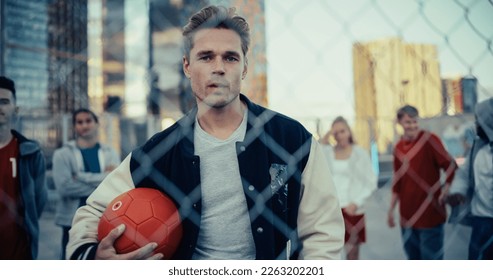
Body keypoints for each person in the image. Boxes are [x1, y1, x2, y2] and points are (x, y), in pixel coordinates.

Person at [67, 5, 344, 260]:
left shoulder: (293, 139)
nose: (219, 68)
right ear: (188, 66)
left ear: (245, 67)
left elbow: (323, 233)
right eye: (206, 57)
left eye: (231, 58)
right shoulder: (160, 151)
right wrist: (93, 257)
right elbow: (92, 212)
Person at [387, 105, 456, 260]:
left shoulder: (429, 140)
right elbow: (397, 183)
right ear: (399, 123)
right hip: (407, 217)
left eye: (415, 121)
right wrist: (391, 210)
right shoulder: (398, 147)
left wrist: (448, 188)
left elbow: (450, 165)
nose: (412, 126)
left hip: (430, 215)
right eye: (408, 122)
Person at [52, 108, 120, 259]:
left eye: (88, 121)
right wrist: (103, 179)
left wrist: (80, 177)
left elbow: (116, 183)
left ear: (96, 124)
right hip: (72, 219)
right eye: (79, 122)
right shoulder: (63, 154)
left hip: (104, 217)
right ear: (74, 126)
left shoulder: (110, 152)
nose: (84, 125)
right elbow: (65, 188)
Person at [0, 76, 47, 259]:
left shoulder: (30, 153)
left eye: (3, 102)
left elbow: (39, 201)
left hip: (18, 250)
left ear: (16, 109)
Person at [323, 116, 377, 260]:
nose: (340, 135)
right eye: (336, 133)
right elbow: (317, 151)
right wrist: (326, 137)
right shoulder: (328, 153)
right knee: (331, 252)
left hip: (353, 209)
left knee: (352, 253)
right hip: (332, 209)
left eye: (343, 131)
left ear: (349, 132)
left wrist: (356, 203)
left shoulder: (360, 153)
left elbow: (371, 181)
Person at [447, 97, 493, 260]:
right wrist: (457, 191)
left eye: (478, 121)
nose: (476, 125)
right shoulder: (477, 147)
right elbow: (464, 174)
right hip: (480, 221)